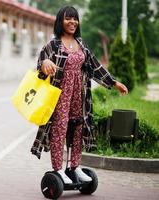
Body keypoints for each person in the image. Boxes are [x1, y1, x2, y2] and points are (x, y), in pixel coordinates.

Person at [30, 6, 128, 184]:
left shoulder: (81, 44)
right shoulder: (53, 44)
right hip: (59, 95)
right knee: (59, 130)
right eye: (68, 18)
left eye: (75, 19)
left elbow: (95, 66)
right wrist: (45, 62)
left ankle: (74, 166)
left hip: (80, 95)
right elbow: (40, 66)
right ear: (61, 21)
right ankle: (58, 169)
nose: (72, 22)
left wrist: (114, 83)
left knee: (77, 128)